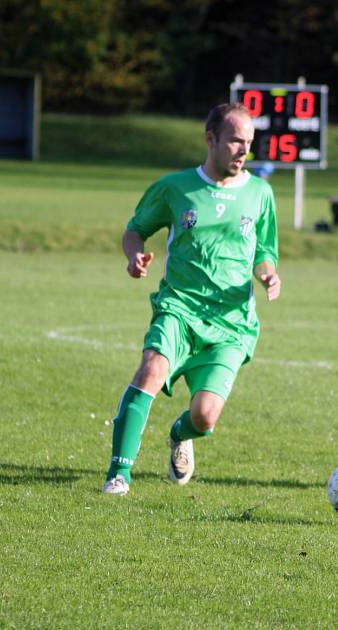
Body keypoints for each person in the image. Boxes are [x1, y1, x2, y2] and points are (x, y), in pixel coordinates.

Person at [102, 102, 281, 495]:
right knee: (150, 370)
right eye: (235, 140)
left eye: (248, 143)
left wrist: (268, 274)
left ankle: (179, 434)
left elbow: (265, 250)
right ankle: (119, 473)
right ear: (211, 138)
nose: (242, 150)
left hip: (232, 322)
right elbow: (135, 230)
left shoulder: (260, 193)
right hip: (179, 307)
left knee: (204, 417)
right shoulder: (175, 187)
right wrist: (134, 255)